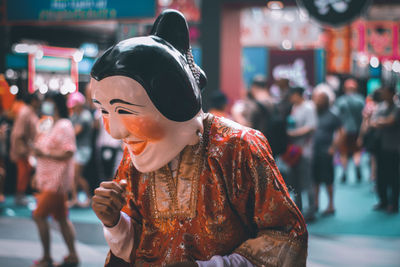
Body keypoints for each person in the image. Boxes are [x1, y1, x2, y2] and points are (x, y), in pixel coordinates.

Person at [90, 10, 307, 266]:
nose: (115, 131)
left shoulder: (238, 146)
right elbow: (140, 239)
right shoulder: (135, 153)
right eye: (104, 111)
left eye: (125, 110)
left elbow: (286, 234)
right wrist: (115, 222)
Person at [31, 92, 79, 267]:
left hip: (56, 181)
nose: (46, 106)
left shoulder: (64, 125)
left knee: (39, 216)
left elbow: (69, 151)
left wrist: (45, 153)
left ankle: (46, 257)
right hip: (48, 180)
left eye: (49, 102)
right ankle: (72, 255)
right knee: (61, 219)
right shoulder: (51, 124)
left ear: (57, 104)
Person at [286, 87, 317, 222]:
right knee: (295, 182)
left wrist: (293, 134)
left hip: (305, 150)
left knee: (307, 181)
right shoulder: (293, 107)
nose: (291, 98)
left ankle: (311, 210)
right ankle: (299, 210)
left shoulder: (308, 107)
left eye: (292, 95)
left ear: (298, 95)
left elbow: (311, 127)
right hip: (293, 151)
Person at [370, 85, 400, 214]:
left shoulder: (397, 107)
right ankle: (383, 201)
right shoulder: (381, 106)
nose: (383, 95)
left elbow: (390, 121)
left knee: (393, 176)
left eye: (386, 93)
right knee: (381, 176)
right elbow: (372, 121)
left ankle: (393, 203)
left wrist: (380, 122)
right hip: (380, 146)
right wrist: (380, 122)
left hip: (393, 147)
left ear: (391, 93)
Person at [312, 88, 341, 216]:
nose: (318, 101)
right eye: (317, 99)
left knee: (328, 179)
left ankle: (331, 205)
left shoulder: (333, 115)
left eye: (321, 99)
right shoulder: (312, 113)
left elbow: (341, 132)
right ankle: (316, 203)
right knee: (315, 179)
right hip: (313, 150)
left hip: (326, 151)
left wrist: (333, 148)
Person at [10, 93, 40, 205]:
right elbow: (18, 133)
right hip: (22, 150)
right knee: (22, 173)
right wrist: (23, 150)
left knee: (25, 172)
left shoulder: (29, 111)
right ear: (33, 101)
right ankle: (19, 195)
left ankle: (21, 195)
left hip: (27, 149)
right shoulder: (25, 112)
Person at [335, 78, 365, 183]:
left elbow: (336, 117)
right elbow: (364, 117)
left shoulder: (340, 101)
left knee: (343, 152)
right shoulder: (360, 100)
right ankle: (357, 165)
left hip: (343, 131)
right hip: (357, 130)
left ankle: (344, 171)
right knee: (357, 150)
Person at [67, 91, 93, 207]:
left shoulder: (85, 115)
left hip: (83, 149)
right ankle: (77, 198)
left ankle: (82, 198)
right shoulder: (75, 116)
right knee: (75, 176)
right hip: (76, 149)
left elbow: (75, 131)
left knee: (75, 176)